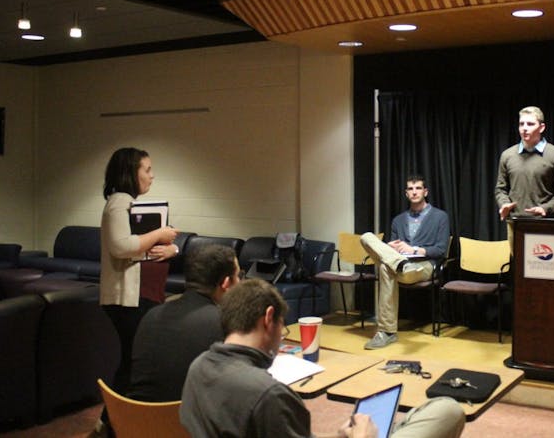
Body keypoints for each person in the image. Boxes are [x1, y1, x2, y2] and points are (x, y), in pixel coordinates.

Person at [180, 278, 465, 438]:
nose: (282, 336)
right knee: (447, 410)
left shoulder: (198, 367)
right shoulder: (268, 395)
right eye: (283, 326)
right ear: (269, 319)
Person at [100, 147, 179, 396]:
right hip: (127, 299)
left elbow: (145, 248)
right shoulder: (118, 204)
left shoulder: (130, 204)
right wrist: (159, 233)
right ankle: (114, 421)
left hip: (143, 296)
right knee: (133, 362)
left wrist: (171, 249)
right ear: (130, 173)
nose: (152, 175)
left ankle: (115, 421)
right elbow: (122, 246)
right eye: (147, 169)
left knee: (137, 360)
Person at [127, 244, 241, 401]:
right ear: (226, 283)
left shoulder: (151, 315)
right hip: (184, 422)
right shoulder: (225, 323)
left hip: (133, 419)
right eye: (238, 276)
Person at [359, 175, 450, 349]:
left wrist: (414, 250)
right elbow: (389, 252)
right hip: (401, 265)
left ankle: (387, 332)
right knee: (367, 238)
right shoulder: (398, 220)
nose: (414, 192)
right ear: (406, 193)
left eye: (418, 188)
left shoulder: (440, 217)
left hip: (425, 265)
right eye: (410, 189)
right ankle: (387, 332)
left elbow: (441, 250)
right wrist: (390, 246)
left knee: (386, 268)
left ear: (425, 191)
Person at [495, 106, 554, 244]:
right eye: (521, 124)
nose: (524, 128)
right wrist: (504, 204)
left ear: (541, 128)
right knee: (517, 264)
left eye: (530, 124)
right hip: (515, 224)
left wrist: (545, 208)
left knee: (543, 264)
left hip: (545, 224)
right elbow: (500, 188)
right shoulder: (507, 155)